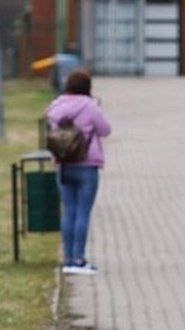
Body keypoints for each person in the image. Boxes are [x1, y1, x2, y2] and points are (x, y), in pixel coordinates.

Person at [45, 68, 111, 275]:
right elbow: (105, 130)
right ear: (87, 87)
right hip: (87, 165)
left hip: (63, 165)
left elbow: (51, 127)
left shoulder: (55, 106)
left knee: (69, 211)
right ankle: (79, 259)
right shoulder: (90, 106)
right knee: (83, 212)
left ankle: (67, 259)